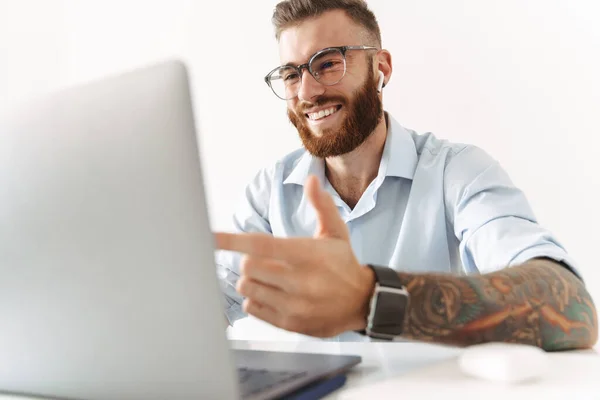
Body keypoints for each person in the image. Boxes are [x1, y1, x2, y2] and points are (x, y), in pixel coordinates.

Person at [214, 0, 598, 350]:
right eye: (292, 74)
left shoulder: (458, 173)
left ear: (381, 68)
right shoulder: (268, 193)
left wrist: (371, 298)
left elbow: (573, 309)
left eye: (328, 63)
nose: (308, 92)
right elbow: (205, 306)